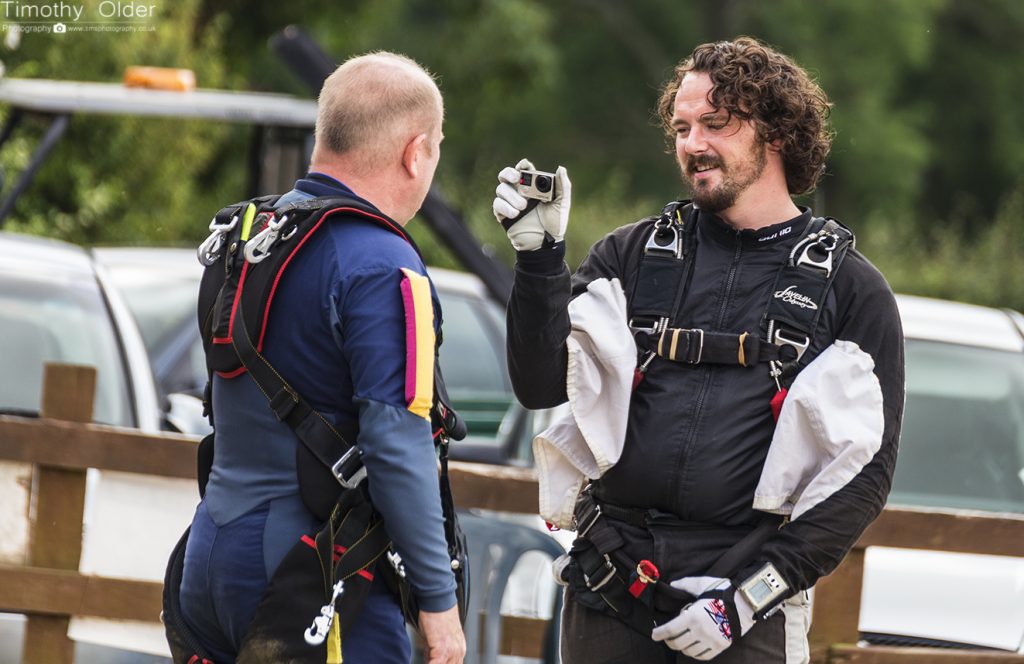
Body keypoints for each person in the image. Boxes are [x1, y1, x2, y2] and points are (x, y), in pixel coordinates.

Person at [492, 37, 904, 663]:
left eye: (716, 124)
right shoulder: (630, 256)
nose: (692, 143)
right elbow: (542, 386)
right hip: (609, 594)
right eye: (682, 127)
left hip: (746, 613)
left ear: (779, 133)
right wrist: (539, 260)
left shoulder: (850, 290)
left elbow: (865, 478)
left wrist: (747, 599)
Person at [175, 52, 466, 664]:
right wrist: (438, 606)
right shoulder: (385, 264)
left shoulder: (248, 236)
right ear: (416, 152)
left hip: (205, 563)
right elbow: (396, 440)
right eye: (435, 148)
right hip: (313, 576)